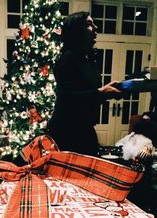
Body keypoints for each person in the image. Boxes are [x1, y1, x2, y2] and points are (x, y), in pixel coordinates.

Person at [47, 11, 121, 156]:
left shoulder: (87, 59)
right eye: (89, 24)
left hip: (83, 128)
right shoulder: (68, 58)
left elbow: (87, 93)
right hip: (67, 131)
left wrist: (106, 93)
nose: (96, 27)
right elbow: (66, 97)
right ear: (76, 31)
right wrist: (100, 93)